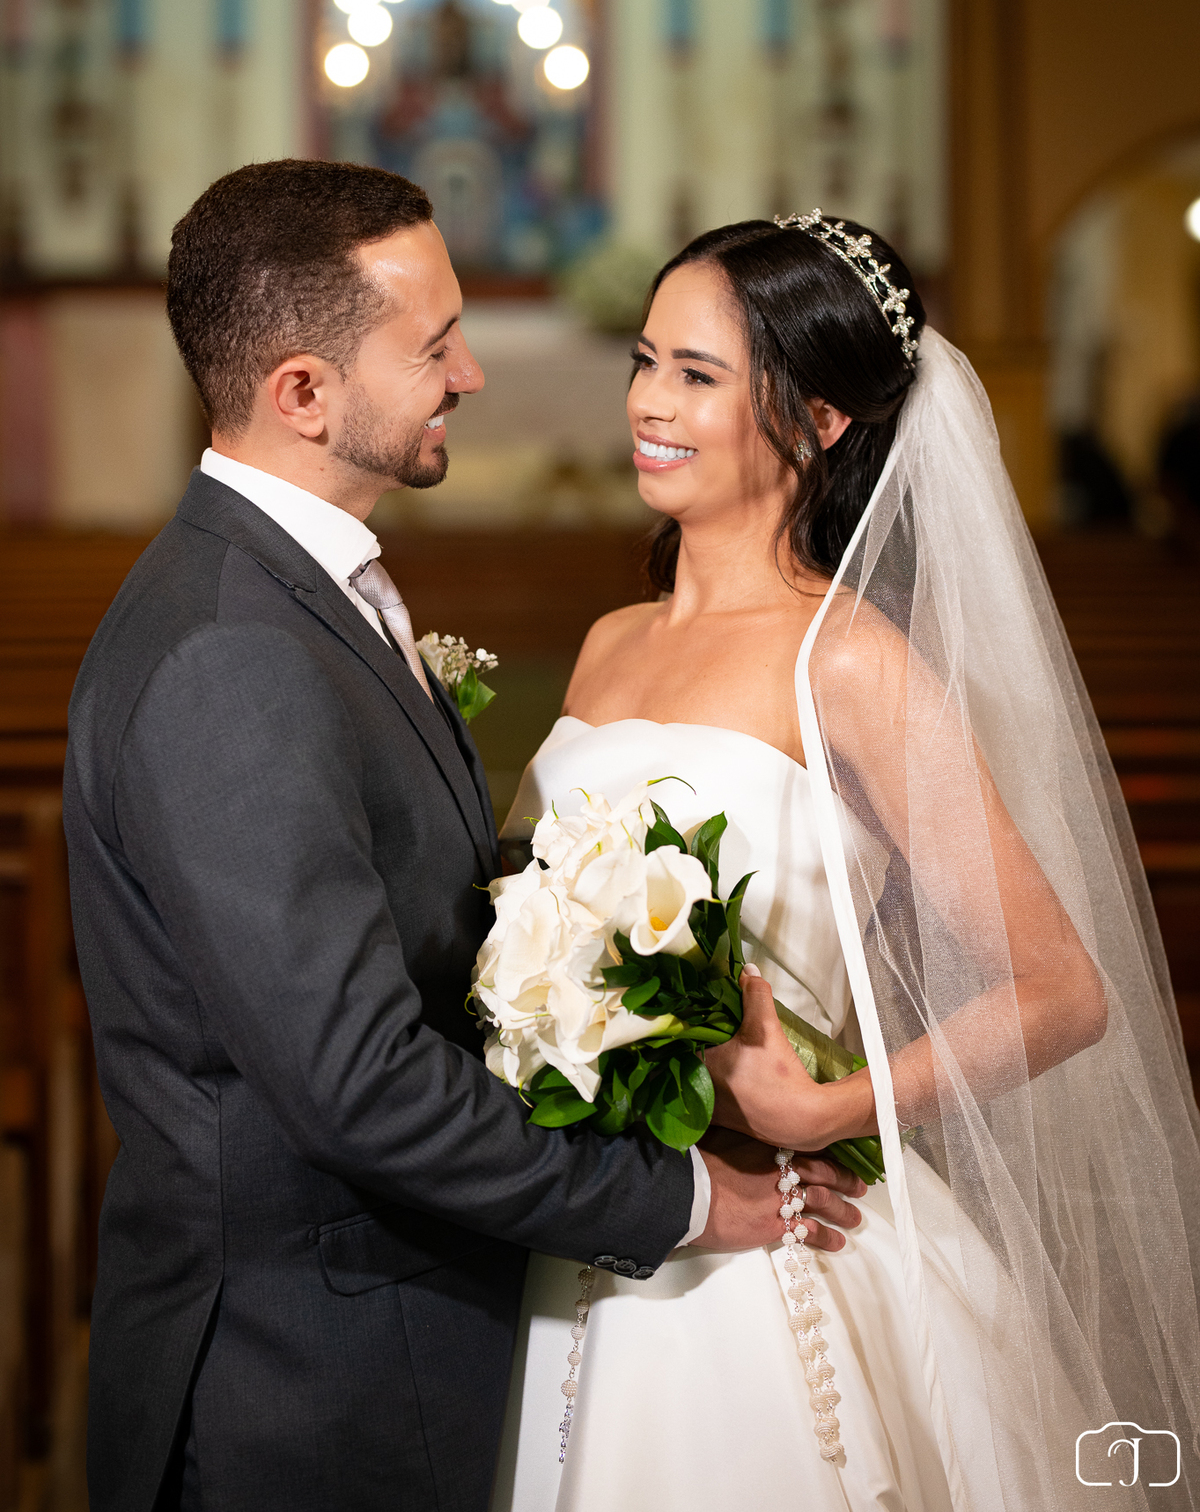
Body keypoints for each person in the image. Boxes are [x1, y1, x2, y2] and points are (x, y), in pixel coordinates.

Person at [64, 163, 867, 1512]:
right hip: (307, 1377)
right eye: (433, 345)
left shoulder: (296, 594)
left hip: (413, 1315)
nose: (472, 373)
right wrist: (678, 1201)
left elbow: (425, 916)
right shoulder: (229, 653)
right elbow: (359, 1079)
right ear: (304, 392)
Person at [492, 215, 1200, 1512]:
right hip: (596, 1209)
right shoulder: (608, 642)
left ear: (818, 422)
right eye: (645, 361)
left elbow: (1061, 988)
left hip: (767, 1246)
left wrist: (826, 1110)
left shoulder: (853, 662)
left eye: (697, 375)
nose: (649, 403)